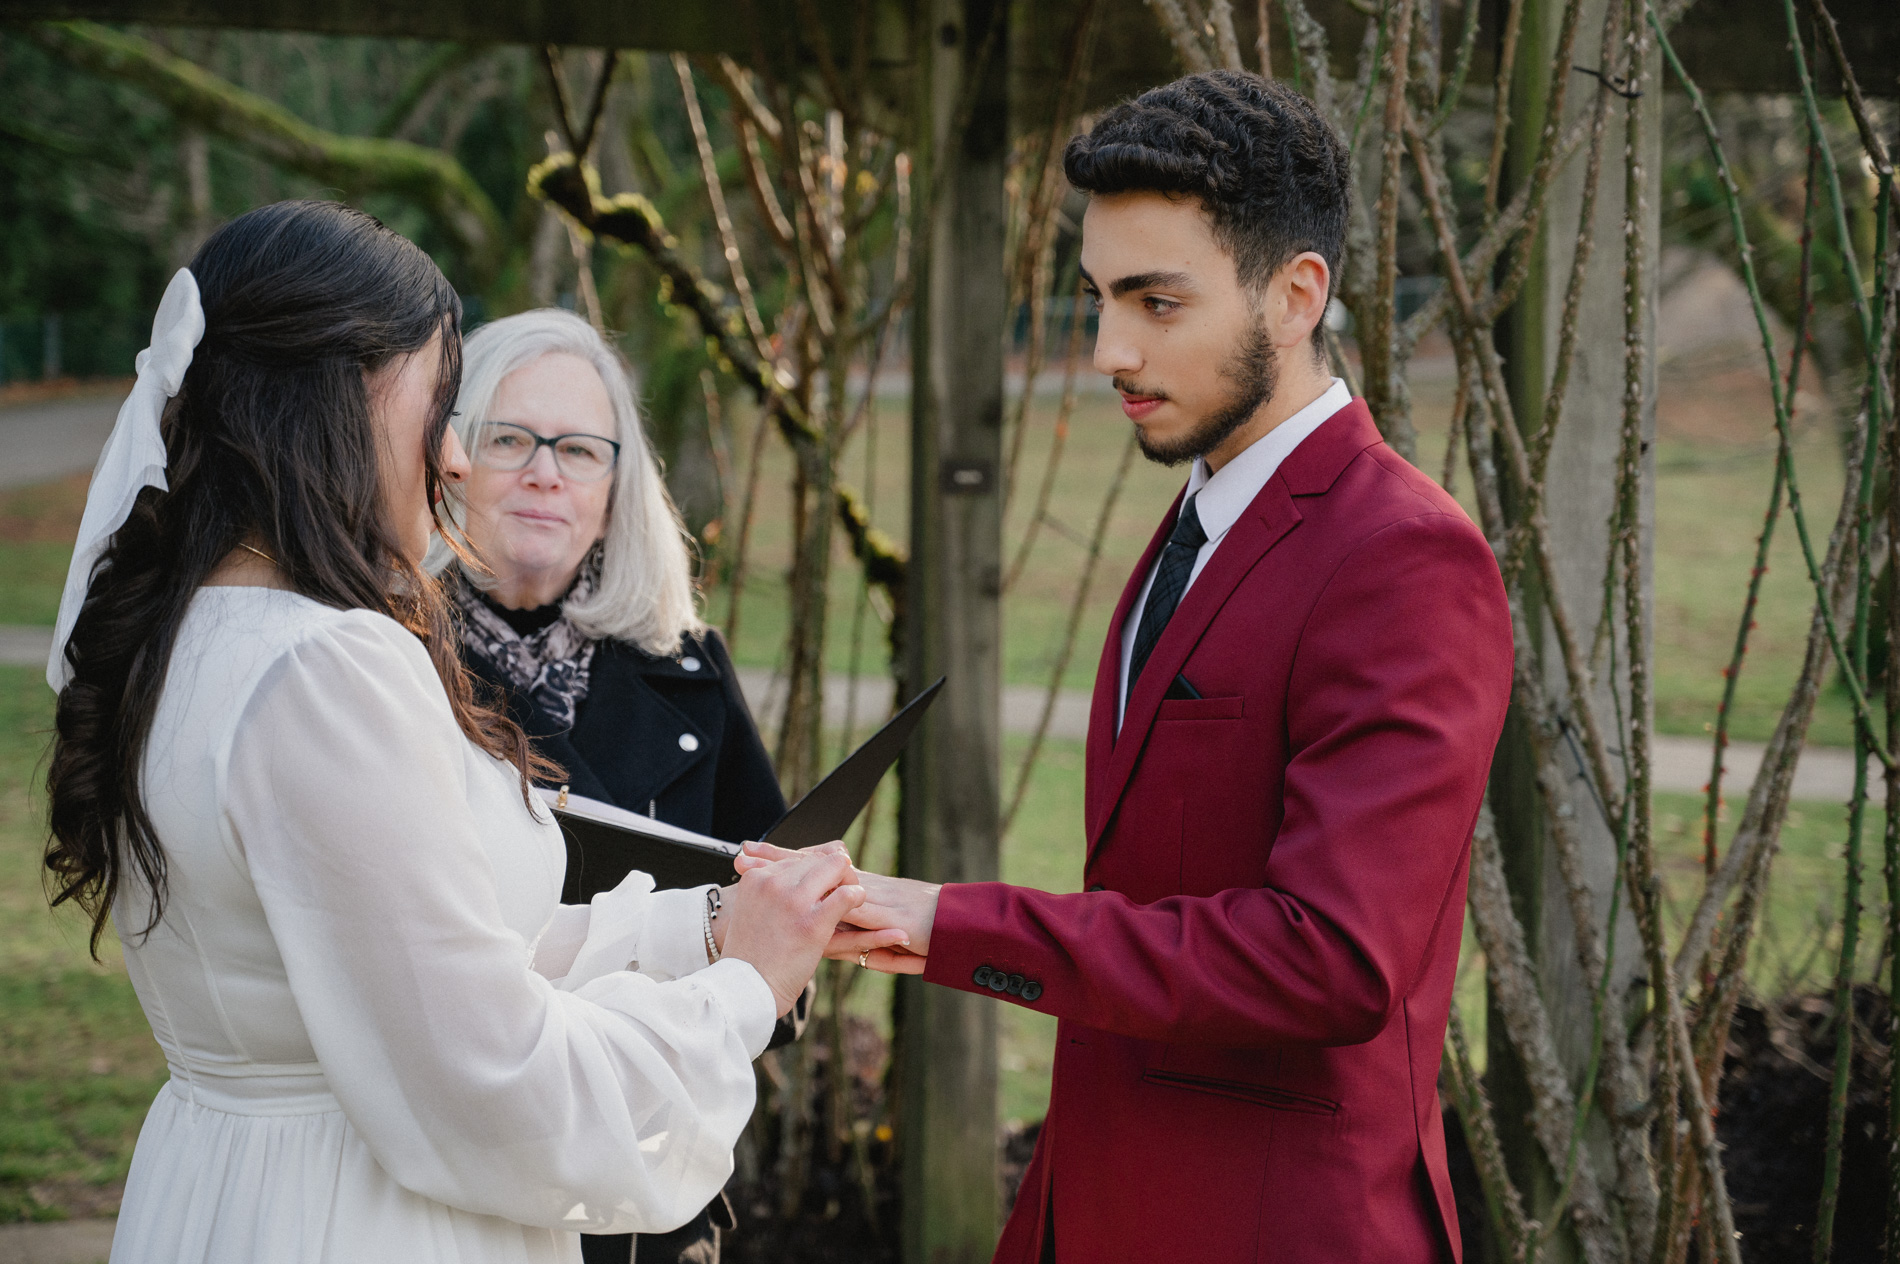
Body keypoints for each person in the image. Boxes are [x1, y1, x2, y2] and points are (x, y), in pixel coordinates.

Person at [41, 200, 901, 1264]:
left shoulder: (190, 637)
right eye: (445, 406)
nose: (453, 457)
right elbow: (494, 1083)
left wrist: (710, 927)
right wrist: (741, 991)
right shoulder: (325, 669)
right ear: (337, 399)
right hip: (359, 1219)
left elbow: (426, 960)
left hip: (228, 1190)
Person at [749, 72, 1514, 1262]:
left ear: (1296, 294)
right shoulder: (1197, 520)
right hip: (1098, 1202)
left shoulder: (1404, 557)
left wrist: (953, 921)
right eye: (1099, 298)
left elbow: (1332, 960)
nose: (1108, 348)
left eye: (1156, 302)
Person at [430, 308, 789, 1264]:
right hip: (466, 1171)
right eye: (511, 438)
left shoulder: (686, 663)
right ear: (449, 456)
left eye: (581, 449)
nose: (546, 471)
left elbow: (765, 866)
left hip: (651, 1169)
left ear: (616, 485)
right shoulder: (387, 658)